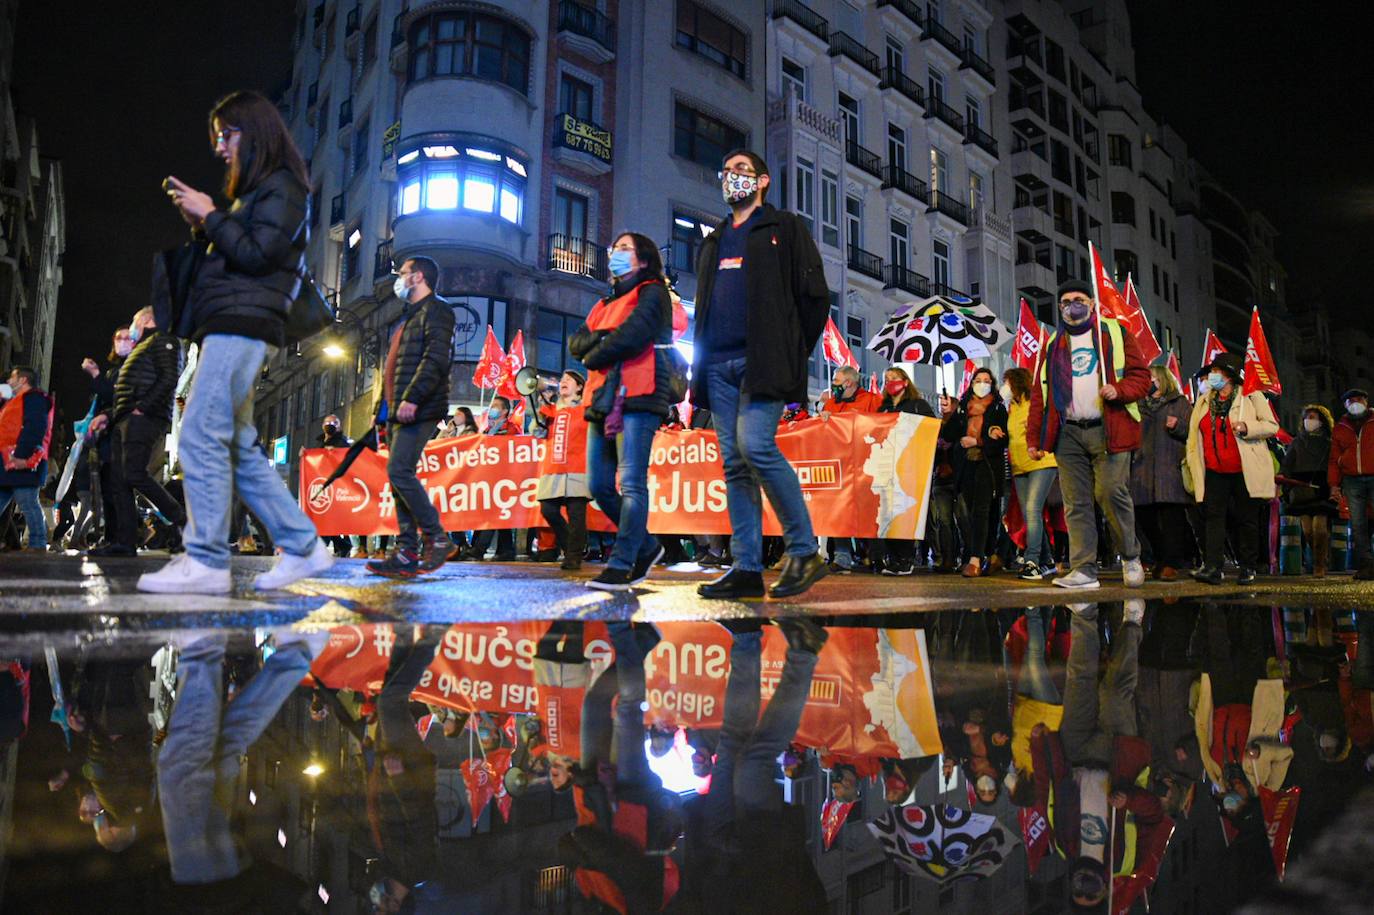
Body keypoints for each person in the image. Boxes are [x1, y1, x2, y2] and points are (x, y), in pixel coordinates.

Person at [140, 89, 333, 594]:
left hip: (244, 325)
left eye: (226, 134)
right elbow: (242, 252)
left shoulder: (284, 186)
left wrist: (212, 216)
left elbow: (258, 254)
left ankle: (204, 559)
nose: (220, 148)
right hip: (236, 321)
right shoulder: (260, 192)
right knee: (236, 447)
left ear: (255, 131)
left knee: (202, 432)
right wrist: (206, 225)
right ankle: (305, 547)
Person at [689, 149, 831, 600]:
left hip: (762, 362)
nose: (733, 177)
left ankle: (804, 550)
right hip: (718, 364)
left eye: (743, 171)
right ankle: (746, 566)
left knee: (756, 446)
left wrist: (790, 352)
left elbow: (815, 298)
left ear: (763, 181)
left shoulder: (783, 228)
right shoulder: (712, 241)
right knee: (734, 466)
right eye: (727, 170)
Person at [1026, 279, 1152, 591]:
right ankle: (1083, 569)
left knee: (1110, 492)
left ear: (1092, 303)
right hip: (1068, 434)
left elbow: (1142, 378)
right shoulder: (1053, 344)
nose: (1073, 305)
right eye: (1066, 301)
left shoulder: (1115, 334)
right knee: (1075, 503)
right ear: (1060, 308)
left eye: (1079, 299)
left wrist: (1119, 390)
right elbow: (1041, 393)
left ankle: (1131, 555)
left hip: (1108, 428)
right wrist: (1034, 440)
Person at [569, 232, 675, 592]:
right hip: (602, 398)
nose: (615, 253)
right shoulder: (602, 302)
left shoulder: (653, 293)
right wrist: (604, 342)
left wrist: (598, 349)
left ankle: (623, 561)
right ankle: (646, 546)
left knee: (631, 482)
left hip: (640, 393)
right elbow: (576, 342)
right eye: (614, 247)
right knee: (599, 485)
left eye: (625, 248)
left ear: (643, 259)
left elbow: (636, 333)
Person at [366, 254, 457, 579]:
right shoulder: (408, 317)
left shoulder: (438, 310)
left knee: (399, 471)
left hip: (420, 407)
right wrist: (382, 411)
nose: (398, 278)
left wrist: (412, 399)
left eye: (402, 273)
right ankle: (405, 551)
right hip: (396, 411)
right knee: (396, 477)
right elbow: (391, 369)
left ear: (417, 277)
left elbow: (436, 359)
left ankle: (436, 537)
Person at [85, 308, 185, 556]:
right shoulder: (145, 344)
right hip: (126, 418)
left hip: (143, 418)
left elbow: (169, 377)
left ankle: (183, 522)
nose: (131, 326)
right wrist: (111, 416)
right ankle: (125, 541)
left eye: (134, 320)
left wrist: (143, 408)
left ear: (148, 320)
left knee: (134, 474)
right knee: (119, 480)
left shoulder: (164, 340)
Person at [1184, 352, 1278, 585]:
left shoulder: (1251, 395)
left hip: (1244, 468)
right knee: (1213, 517)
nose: (1212, 376)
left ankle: (1248, 567)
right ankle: (1213, 566)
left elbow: (1271, 426)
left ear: (1230, 375)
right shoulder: (1204, 400)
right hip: (1215, 470)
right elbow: (1195, 435)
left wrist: (1247, 427)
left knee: (1246, 519)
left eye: (1216, 371)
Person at [940, 367, 1008, 578]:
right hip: (966, 466)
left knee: (982, 511)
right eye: (978, 379)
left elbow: (1002, 440)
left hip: (987, 464)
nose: (982, 383)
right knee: (972, 512)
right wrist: (947, 414)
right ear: (971, 384)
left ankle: (975, 559)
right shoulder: (962, 408)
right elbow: (950, 436)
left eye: (987, 380)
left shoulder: (997, 408)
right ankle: (990, 553)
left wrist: (978, 441)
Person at [1129, 365, 1193, 581]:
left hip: (1169, 469)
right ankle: (1160, 557)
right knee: (1144, 517)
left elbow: (1193, 432)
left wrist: (1178, 426)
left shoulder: (1180, 403)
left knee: (1171, 520)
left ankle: (1171, 564)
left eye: (1154, 378)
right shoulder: (1138, 405)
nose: (1151, 383)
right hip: (1142, 470)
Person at [818, 365, 884, 573]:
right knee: (839, 510)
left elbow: (882, 426)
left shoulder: (871, 400)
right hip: (838, 464)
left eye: (836, 381)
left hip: (865, 465)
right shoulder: (831, 403)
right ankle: (842, 556)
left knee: (868, 511)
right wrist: (823, 417)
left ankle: (875, 556)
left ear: (848, 382)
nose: (833, 385)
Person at [872, 367, 935, 575]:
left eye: (894, 378)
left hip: (910, 466)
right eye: (886, 378)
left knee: (903, 512)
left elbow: (931, 430)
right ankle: (894, 558)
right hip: (886, 466)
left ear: (905, 382)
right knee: (887, 513)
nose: (890, 382)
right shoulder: (883, 408)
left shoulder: (918, 405)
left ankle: (906, 558)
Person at [1004, 366, 1059, 580]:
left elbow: (1048, 425)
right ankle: (1047, 560)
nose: (1005, 388)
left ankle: (1032, 561)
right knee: (1030, 515)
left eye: (1007, 383)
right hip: (1019, 465)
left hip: (1040, 461)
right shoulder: (1012, 407)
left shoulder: (1036, 402)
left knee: (1033, 509)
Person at [537, 371, 591, 572]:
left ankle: (573, 556)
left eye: (569, 380)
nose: (563, 382)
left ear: (579, 387)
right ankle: (570, 546)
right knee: (548, 509)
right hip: (554, 467)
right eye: (562, 380)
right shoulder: (550, 409)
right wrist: (540, 413)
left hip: (578, 466)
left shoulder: (587, 408)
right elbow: (538, 433)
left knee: (576, 514)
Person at [0, 365, 54, 550]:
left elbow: (35, 427)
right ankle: (37, 544)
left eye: (12, 378)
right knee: (24, 501)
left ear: (23, 380)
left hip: (23, 460)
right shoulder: (15, 400)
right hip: (9, 462)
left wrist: (22, 457)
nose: (8, 381)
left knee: (28, 502)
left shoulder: (35, 398)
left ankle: (38, 544)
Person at [463, 395, 519, 563]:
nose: (492, 409)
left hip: (505, 477)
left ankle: (478, 549)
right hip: (488, 477)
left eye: (495, 406)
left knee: (494, 514)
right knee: (499, 514)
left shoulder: (512, 429)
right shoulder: (487, 430)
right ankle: (506, 550)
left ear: (504, 411)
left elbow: (514, 449)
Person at [1282, 405, 1337, 576]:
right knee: (1307, 531)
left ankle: (1319, 565)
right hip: (1301, 491)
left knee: (1319, 528)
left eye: (1313, 417)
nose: (1309, 420)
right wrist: (1285, 484)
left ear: (1322, 421)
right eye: (1307, 417)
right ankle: (1317, 558)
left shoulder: (1329, 443)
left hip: (1321, 490)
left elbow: (1334, 465)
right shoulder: (1297, 442)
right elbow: (1287, 465)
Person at [1329, 388, 1374, 579]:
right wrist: (1334, 484)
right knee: (1358, 525)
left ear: (1366, 401)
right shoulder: (1340, 427)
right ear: (1345, 405)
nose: (1355, 403)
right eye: (1350, 400)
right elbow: (1334, 459)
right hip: (1351, 480)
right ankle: (1366, 566)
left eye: (1358, 399)